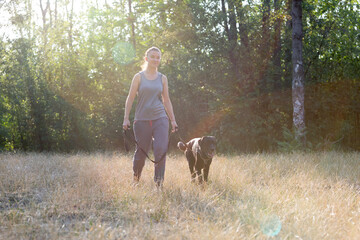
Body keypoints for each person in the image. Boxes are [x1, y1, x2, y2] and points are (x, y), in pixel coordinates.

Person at [123, 46, 178, 188]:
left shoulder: (163, 78)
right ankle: (136, 180)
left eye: (158, 57)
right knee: (141, 152)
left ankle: (158, 183)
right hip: (141, 120)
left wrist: (172, 120)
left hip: (160, 118)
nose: (155, 59)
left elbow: (166, 100)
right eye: (152, 56)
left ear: (160, 60)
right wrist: (126, 118)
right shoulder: (138, 77)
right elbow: (130, 98)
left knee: (160, 149)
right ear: (147, 58)